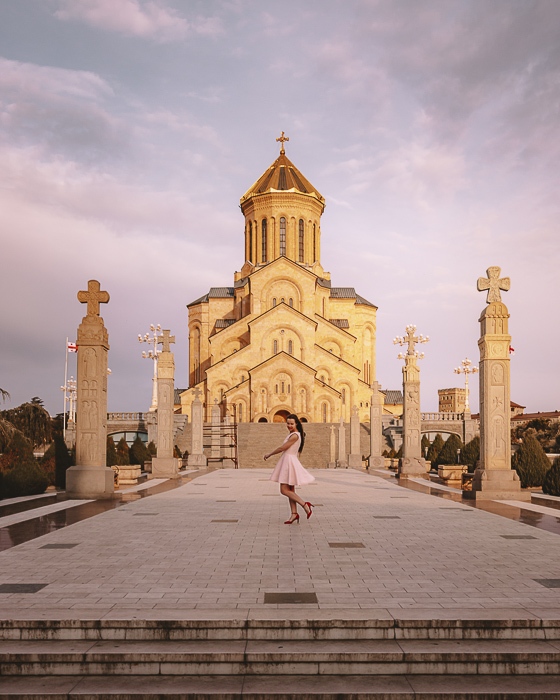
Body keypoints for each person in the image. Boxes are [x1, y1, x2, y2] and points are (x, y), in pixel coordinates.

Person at [264, 413, 315, 524]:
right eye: (288, 423)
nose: (289, 425)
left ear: (296, 423)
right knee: (290, 490)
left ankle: (305, 504)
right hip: (288, 461)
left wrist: (270, 454)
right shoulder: (293, 434)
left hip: (289, 462)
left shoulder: (295, 435)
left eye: (292, 423)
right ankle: (294, 514)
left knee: (284, 490)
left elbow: (283, 448)